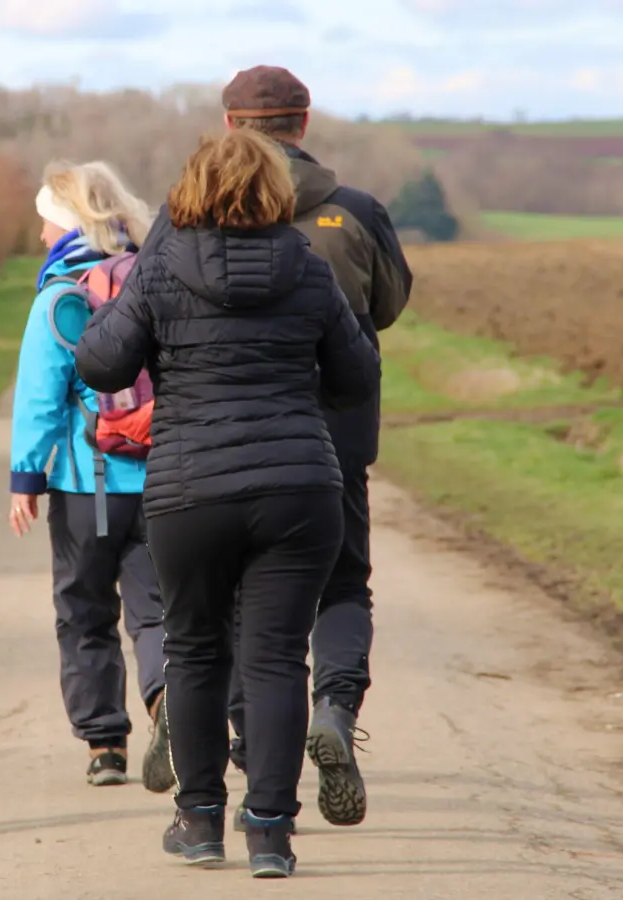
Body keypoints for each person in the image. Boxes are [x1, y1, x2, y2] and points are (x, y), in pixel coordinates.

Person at [74, 128, 381, 878]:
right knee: (278, 657)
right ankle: (271, 835)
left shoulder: (163, 267)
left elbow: (100, 361)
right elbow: (358, 375)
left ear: (192, 190)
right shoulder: (307, 269)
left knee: (196, 649)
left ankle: (201, 821)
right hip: (298, 487)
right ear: (273, 191)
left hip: (190, 487)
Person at [217, 65, 414, 831]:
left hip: (228, 442)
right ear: (303, 124)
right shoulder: (356, 212)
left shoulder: (200, 212)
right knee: (340, 587)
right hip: (333, 442)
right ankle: (333, 706)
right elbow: (388, 308)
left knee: (243, 604)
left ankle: (249, 755)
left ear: (231, 126)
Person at [8, 161, 175, 792]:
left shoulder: (60, 297)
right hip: (161, 480)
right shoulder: (156, 281)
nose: (44, 239)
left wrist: (26, 478)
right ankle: (166, 704)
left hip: (85, 487)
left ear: (67, 224)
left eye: (47, 225)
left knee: (83, 613)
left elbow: (40, 397)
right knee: (157, 611)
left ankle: (105, 745)